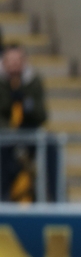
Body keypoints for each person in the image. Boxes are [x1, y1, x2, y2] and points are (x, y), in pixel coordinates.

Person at [0, 44, 48, 202]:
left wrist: (27, 104)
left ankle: (55, 198)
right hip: (4, 139)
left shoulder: (33, 82)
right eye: (10, 60)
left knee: (51, 147)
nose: (14, 64)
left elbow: (42, 115)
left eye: (18, 60)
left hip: (28, 136)